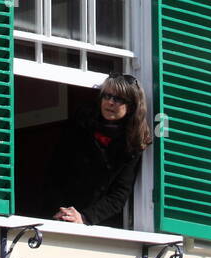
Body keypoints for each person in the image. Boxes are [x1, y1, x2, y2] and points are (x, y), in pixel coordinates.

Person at [43, 75, 152, 228]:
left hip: (96, 224)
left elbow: (118, 195)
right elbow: (55, 171)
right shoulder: (80, 124)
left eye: (118, 99)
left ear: (131, 106)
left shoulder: (131, 144)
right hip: (57, 213)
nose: (110, 102)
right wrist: (61, 210)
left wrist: (84, 217)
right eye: (107, 96)